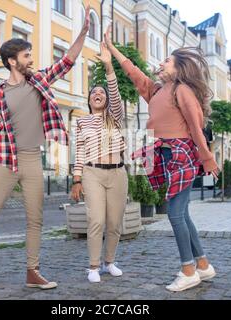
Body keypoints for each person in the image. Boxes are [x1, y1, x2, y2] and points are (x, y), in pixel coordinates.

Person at [0, 6, 92, 297]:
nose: (31, 60)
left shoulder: (39, 81)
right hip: (5, 161)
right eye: (26, 55)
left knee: (36, 219)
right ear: (12, 61)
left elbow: (67, 61)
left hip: (33, 158)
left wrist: (82, 33)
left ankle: (33, 271)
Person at [105, 25, 219, 292]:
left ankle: (188, 270)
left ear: (179, 69)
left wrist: (207, 158)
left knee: (176, 214)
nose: (161, 62)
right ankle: (202, 265)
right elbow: (133, 73)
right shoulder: (156, 91)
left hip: (182, 153)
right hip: (165, 153)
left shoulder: (182, 90)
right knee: (183, 214)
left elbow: (195, 126)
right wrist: (111, 48)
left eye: (167, 60)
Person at [71, 41, 127, 283]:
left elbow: (114, 94)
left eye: (101, 92)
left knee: (115, 223)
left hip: (117, 173)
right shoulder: (82, 122)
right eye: (94, 92)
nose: (98, 94)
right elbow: (80, 151)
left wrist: (108, 67)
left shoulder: (114, 117)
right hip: (92, 173)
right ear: (89, 99)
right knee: (96, 220)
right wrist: (76, 179)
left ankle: (109, 262)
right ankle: (93, 266)